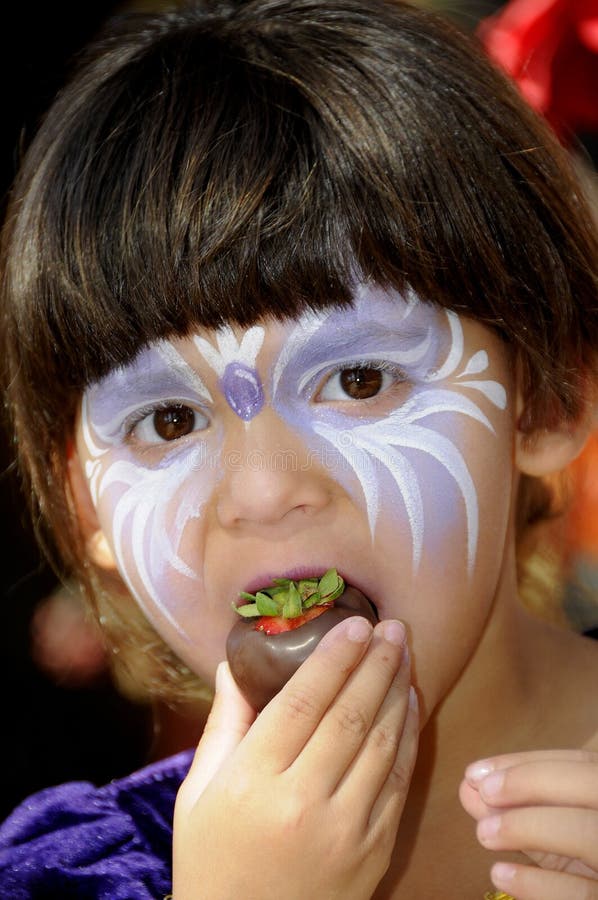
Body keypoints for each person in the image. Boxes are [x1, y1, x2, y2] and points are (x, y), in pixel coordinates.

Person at [1, 1, 598, 897]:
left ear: (549, 397)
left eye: (360, 380)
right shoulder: (63, 876)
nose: (266, 492)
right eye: (167, 422)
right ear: (84, 500)